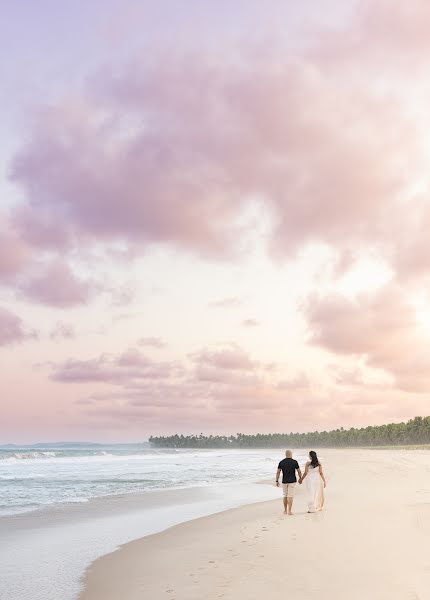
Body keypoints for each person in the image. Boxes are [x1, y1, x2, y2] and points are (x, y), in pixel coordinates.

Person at [275, 450, 302, 515]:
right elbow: (299, 471)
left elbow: (278, 472)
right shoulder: (294, 462)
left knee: (285, 495)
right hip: (292, 481)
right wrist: (300, 478)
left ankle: (285, 510)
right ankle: (289, 511)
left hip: (284, 481)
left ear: (285, 454)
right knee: (290, 496)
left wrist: (277, 480)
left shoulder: (281, 462)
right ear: (291, 454)